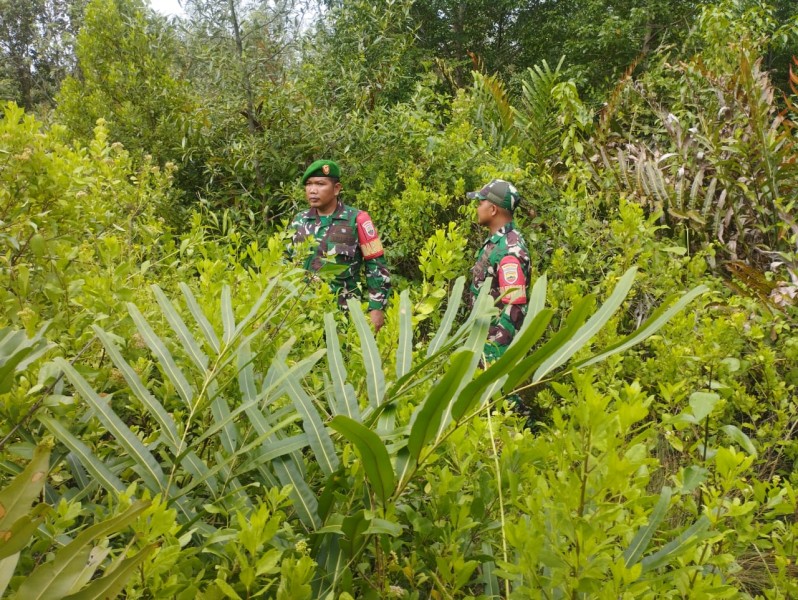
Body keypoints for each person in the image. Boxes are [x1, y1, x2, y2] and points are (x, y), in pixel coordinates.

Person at [288, 159, 391, 331]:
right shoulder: (299, 220)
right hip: (300, 314)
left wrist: (376, 308)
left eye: (320, 184)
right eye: (309, 184)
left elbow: (376, 265)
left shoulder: (358, 219)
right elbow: (285, 263)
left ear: (336, 188)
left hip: (343, 316)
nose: (313, 190)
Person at [467, 178, 531, 363]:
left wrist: (495, 357)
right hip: (483, 342)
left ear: (493, 209)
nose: (477, 208)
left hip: (495, 353)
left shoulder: (509, 251)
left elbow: (514, 307)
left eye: (480, 203)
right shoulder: (497, 243)